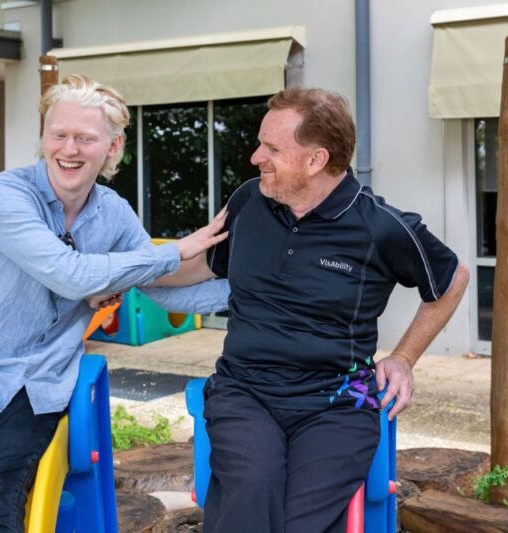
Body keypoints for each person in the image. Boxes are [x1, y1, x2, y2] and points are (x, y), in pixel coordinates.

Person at [0, 75, 228, 532]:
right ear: (44, 137)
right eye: (59, 134)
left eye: (84, 138)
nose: (69, 149)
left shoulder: (112, 213)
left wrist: (251, 284)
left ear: (113, 147)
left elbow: (163, 282)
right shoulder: (3, 195)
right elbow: (69, 273)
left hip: (38, 384)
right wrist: (177, 247)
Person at [197, 87, 470, 532]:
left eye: (270, 148)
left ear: (315, 160)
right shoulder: (249, 201)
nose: (254, 157)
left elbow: (452, 276)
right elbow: (198, 261)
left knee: (300, 523)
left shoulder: (378, 226)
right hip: (244, 392)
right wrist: (115, 272)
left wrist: (403, 358)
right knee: (249, 492)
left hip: (339, 402)